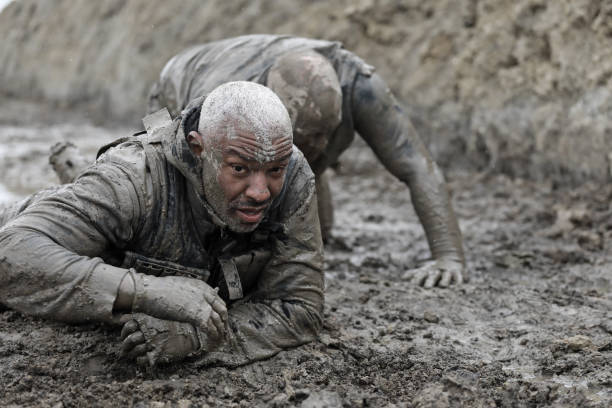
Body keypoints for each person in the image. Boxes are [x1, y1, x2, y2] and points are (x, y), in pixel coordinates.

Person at [0, 81, 324, 367]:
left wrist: (199, 337)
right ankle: (73, 169)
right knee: (104, 203)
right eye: (239, 169)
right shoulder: (132, 179)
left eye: (274, 171)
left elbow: (300, 308)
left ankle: (74, 169)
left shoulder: (291, 172)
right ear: (199, 149)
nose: (260, 191)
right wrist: (149, 292)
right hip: (39, 218)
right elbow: (12, 254)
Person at [146, 34, 467, 288]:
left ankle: (319, 230)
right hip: (174, 83)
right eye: (300, 141)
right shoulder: (225, 99)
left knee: (301, 201)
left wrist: (448, 257)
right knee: (170, 170)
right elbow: (191, 169)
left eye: (321, 139)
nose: (310, 153)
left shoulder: (361, 84)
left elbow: (416, 164)